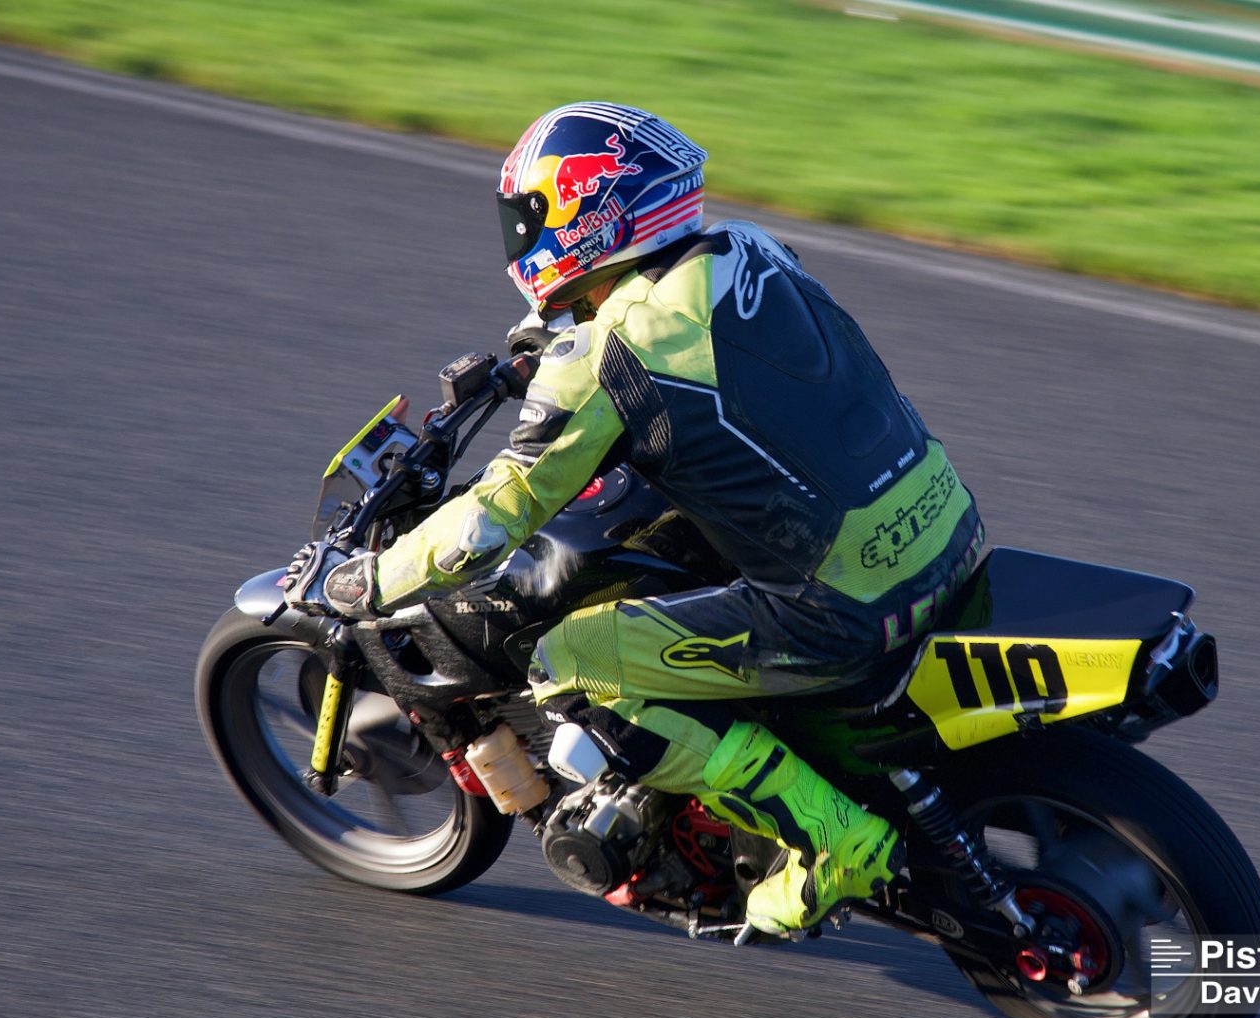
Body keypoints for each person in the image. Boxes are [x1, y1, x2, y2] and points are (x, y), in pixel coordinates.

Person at [286, 102, 984, 935]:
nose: (519, 240)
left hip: (848, 600)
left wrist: (365, 579)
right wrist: (561, 345)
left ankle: (829, 842)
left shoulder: (607, 360)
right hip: (943, 522)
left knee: (569, 658)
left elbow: (488, 521)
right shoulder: (745, 248)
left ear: (586, 217)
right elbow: (731, 369)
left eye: (531, 218)